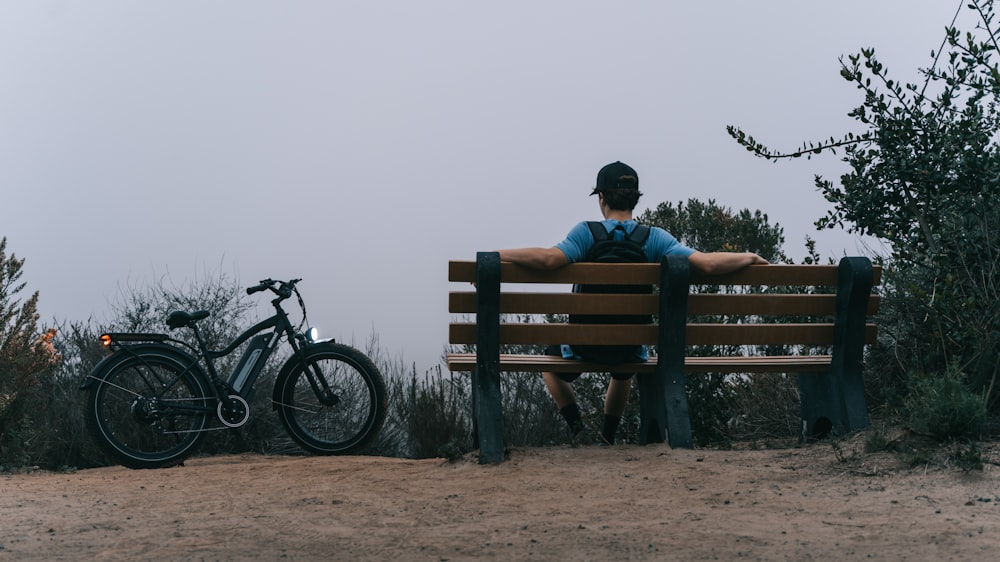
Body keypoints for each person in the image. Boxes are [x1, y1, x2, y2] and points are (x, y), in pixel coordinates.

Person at [497, 161, 768, 445]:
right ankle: (608, 436)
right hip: (628, 350)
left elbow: (548, 259)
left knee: (549, 365)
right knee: (623, 372)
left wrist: (497, 255)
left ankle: (578, 430)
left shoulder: (586, 233)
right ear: (635, 198)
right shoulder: (653, 238)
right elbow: (706, 264)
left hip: (584, 345)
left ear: (601, 197)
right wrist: (748, 256)